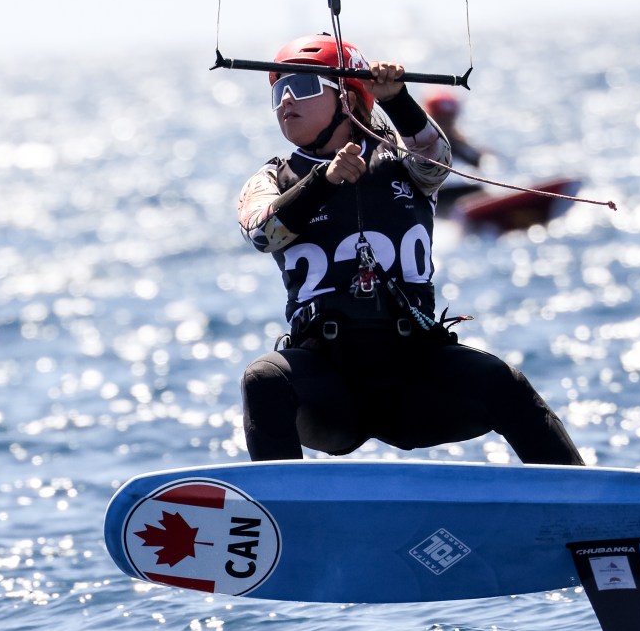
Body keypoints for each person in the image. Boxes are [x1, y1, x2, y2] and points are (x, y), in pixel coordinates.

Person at [236, 33, 583, 466]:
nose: (286, 100)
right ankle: (282, 516)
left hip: (414, 374)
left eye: (303, 87)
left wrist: (397, 99)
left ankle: (584, 508)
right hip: (329, 386)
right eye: (278, 91)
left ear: (347, 95)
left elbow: (436, 156)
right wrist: (324, 182)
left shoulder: (403, 160)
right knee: (263, 379)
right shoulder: (271, 178)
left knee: (503, 382)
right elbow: (262, 232)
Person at [423, 87, 484, 168]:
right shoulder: (416, 145)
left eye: (449, 119)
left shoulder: (466, 148)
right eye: (440, 119)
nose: (445, 124)